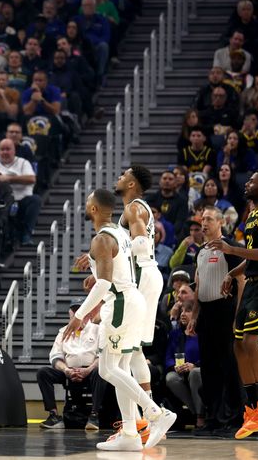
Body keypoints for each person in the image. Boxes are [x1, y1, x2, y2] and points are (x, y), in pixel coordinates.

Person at [63, 189, 176, 452]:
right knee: (121, 369)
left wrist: (80, 316)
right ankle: (129, 432)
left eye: (88, 200)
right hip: (131, 299)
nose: (86, 202)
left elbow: (103, 283)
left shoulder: (102, 238)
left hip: (121, 303)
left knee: (107, 369)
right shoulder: (119, 234)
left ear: (93, 209)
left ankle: (155, 413)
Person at [207, 167, 258, 439]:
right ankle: (252, 407)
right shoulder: (253, 214)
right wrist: (233, 272)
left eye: (252, 180)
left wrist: (230, 249)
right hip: (252, 282)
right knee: (238, 344)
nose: (247, 183)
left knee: (251, 342)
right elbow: (251, 257)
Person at [115, 166, 165, 406]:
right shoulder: (135, 208)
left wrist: (109, 253)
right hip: (147, 274)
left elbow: (142, 244)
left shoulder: (133, 207)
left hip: (142, 274)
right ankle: (149, 416)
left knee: (125, 350)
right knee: (134, 351)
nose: (119, 178)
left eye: (124, 175)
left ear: (133, 184)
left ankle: (143, 418)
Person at [195, 206, 243, 433]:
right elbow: (199, 285)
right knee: (209, 368)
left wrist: (237, 317)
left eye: (209, 219)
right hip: (206, 313)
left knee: (229, 367)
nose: (204, 223)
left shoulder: (230, 247)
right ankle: (213, 417)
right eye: (202, 219)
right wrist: (195, 314)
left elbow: (241, 281)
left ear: (220, 222)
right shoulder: (200, 251)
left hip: (225, 311)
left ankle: (234, 417)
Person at [38, 299, 103, 431]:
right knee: (43, 373)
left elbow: (102, 355)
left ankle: (94, 415)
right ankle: (54, 415)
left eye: (80, 311)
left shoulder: (98, 330)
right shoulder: (63, 332)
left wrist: (89, 369)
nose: (76, 315)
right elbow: (55, 357)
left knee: (101, 371)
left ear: (88, 314)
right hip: (68, 370)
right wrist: (66, 370)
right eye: (73, 312)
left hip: (91, 370)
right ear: (70, 316)